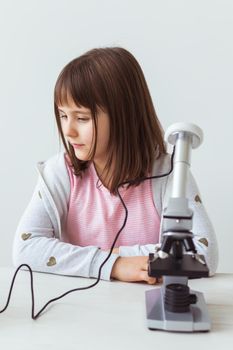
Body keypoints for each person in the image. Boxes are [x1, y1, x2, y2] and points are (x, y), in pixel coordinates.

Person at [12, 47, 218, 284]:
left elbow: (204, 254)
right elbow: (25, 248)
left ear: (124, 117)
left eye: (82, 118)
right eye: (63, 116)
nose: (68, 131)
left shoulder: (170, 174)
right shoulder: (59, 172)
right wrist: (114, 265)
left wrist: (119, 255)